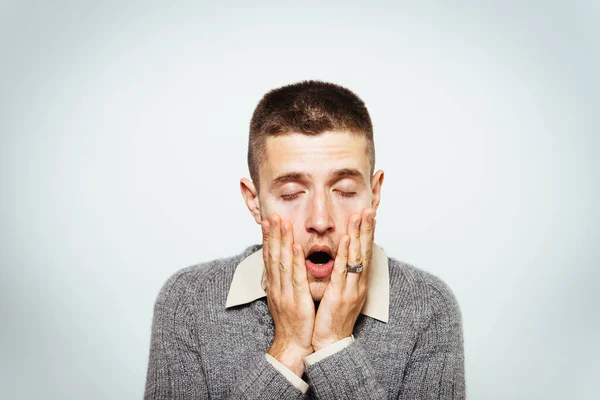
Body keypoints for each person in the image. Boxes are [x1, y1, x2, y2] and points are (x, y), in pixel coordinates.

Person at [144, 80, 465, 399]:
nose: (320, 220)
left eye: (345, 191)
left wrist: (333, 345)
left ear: (374, 193)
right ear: (254, 202)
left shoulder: (428, 306)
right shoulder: (188, 301)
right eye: (291, 193)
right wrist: (290, 347)